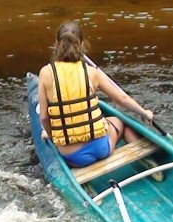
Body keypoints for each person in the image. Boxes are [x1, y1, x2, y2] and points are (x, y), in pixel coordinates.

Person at [38, 21, 154, 168]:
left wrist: (53, 136)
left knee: (62, 145)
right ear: (81, 45)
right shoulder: (93, 72)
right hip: (102, 147)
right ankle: (143, 160)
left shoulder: (46, 73)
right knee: (121, 123)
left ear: (56, 43)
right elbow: (122, 99)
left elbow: (44, 118)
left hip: (74, 156)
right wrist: (144, 113)